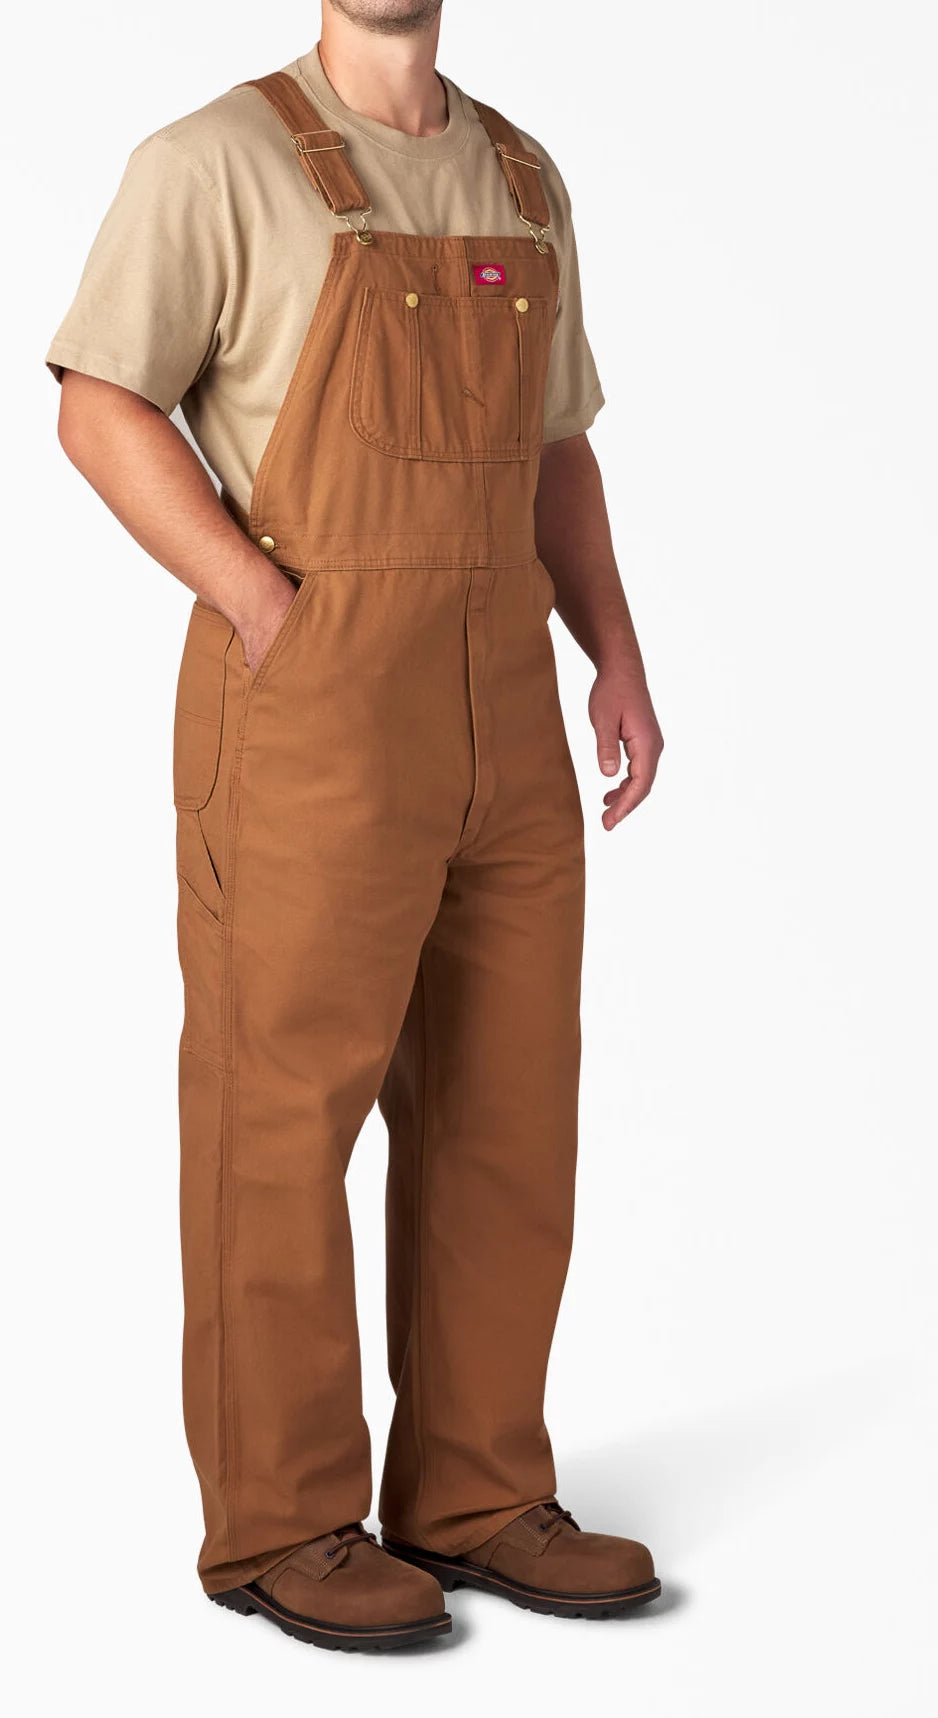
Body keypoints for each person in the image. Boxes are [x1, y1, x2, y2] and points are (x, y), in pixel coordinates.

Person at [46, 0, 664, 1654]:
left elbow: (553, 444)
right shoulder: (213, 162)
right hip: (314, 714)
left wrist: (610, 651)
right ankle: (281, 1521)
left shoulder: (520, 176)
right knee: (280, 1117)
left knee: (505, 1108)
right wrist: (263, 607)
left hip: (504, 718)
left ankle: (474, 1491)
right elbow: (99, 403)